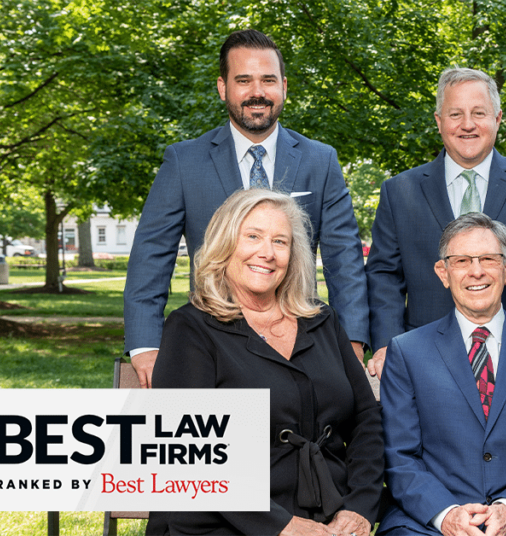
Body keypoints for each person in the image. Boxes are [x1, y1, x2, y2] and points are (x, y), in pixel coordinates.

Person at [124, 29, 369, 389]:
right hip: (211, 344)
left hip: (302, 345)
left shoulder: (321, 161)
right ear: (223, 88)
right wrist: (145, 343)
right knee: (224, 444)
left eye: (268, 80)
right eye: (244, 80)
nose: (258, 92)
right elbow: (150, 256)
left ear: (283, 86)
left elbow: (345, 260)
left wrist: (351, 342)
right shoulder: (184, 162)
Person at [146, 189, 383, 536]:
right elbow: (190, 452)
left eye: (280, 241)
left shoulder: (321, 321)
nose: (267, 253)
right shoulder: (191, 329)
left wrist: (360, 508)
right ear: (225, 244)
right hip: (225, 522)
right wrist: (281, 525)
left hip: (332, 518)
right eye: (253, 236)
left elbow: (366, 421)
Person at [366, 67, 506, 393]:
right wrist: (388, 344)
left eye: (479, 113)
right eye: (455, 114)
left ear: (498, 118)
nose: (468, 124)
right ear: (438, 120)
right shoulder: (398, 192)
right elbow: (384, 275)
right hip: (425, 362)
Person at [378, 213, 506, 536]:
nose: (476, 271)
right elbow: (400, 458)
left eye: (488, 259)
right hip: (429, 523)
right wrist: (447, 515)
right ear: (443, 273)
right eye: (461, 261)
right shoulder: (407, 353)